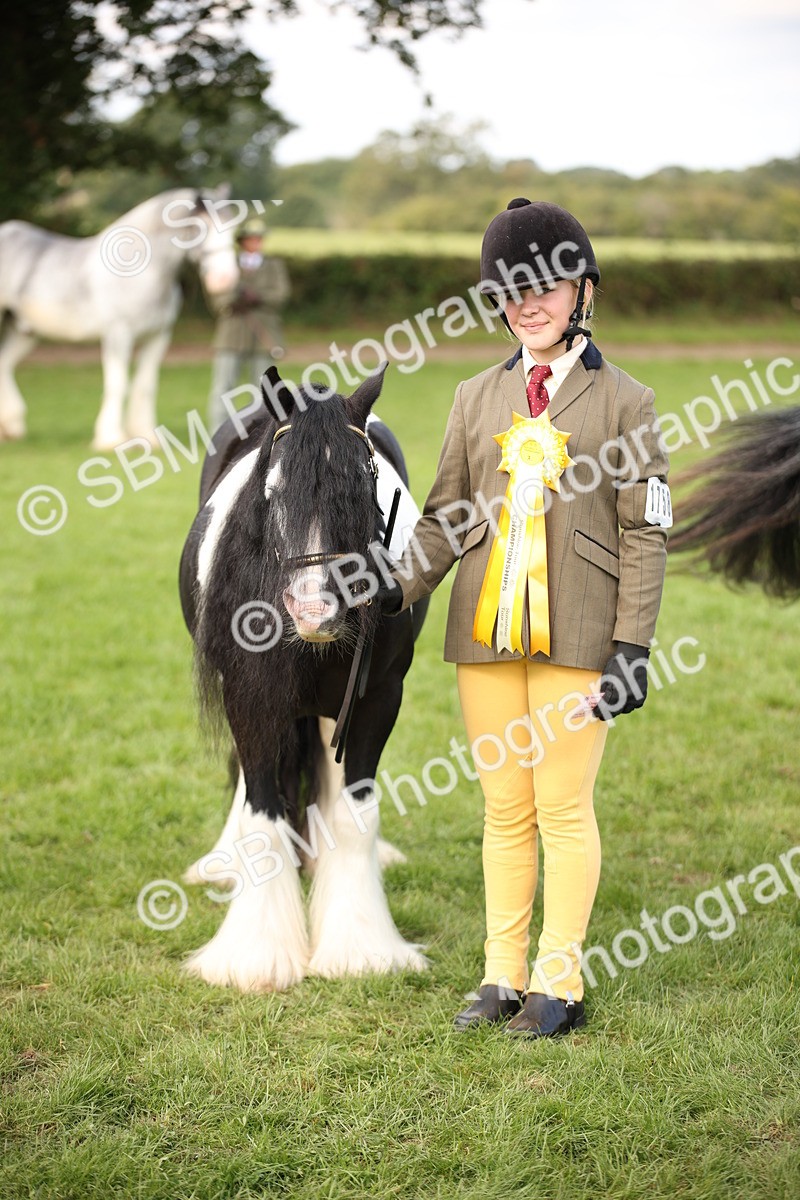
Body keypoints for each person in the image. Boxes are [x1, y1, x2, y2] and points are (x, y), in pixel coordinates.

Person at [381, 198, 671, 1038]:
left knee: (562, 805)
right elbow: (444, 518)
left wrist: (633, 648)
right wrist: (387, 588)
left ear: (584, 290)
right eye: (511, 291)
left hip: (581, 631)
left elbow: (644, 531)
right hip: (484, 632)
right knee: (503, 808)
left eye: (545, 286)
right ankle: (501, 973)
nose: (527, 305)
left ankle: (561, 981)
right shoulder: (476, 396)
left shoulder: (628, 400)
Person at [207, 217, 290, 432]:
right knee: (223, 386)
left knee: (263, 388)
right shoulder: (227, 265)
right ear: (242, 241)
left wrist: (257, 297)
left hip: (264, 335)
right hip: (231, 334)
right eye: (251, 239)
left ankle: (261, 432)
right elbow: (217, 298)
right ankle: (219, 432)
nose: (255, 243)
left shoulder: (273, 265)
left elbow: (281, 294)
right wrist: (234, 298)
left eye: (258, 239)